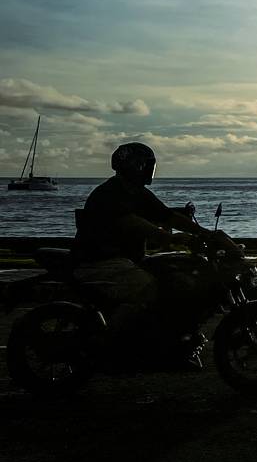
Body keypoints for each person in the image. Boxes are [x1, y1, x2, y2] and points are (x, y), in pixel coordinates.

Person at [71, 141, 232, 364]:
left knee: (172, 275)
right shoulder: (110, 193)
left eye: (150, 165)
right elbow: (133, 222)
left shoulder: (138, 193)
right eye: (145, 165)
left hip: (126, 261)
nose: (149, 170)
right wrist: (171, 238)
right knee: (148, 288)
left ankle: (170, 339)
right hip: (100, 262)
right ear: (133, 166)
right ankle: (108, 344)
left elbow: (168, 216)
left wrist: (205, 233)